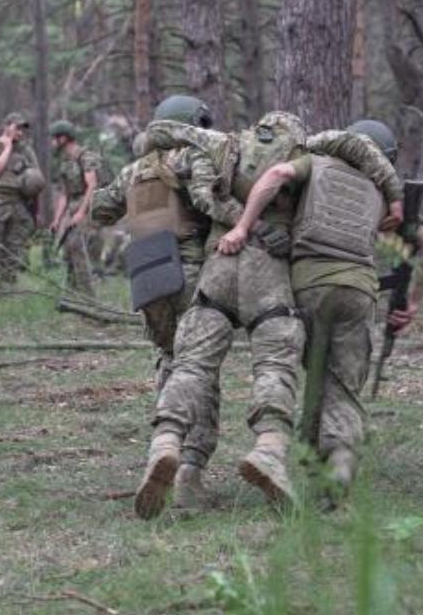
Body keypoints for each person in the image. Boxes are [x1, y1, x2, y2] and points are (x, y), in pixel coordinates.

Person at [132, 112, 402, 518]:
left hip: (217, 265)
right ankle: (270, 449)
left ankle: (169, 446)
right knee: (275, 364)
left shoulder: (221, 146)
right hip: (271, 274)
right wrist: (394, 193)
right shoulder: (312, 158)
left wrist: (236, 224)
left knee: (192, 366)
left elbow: (159, 143)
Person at [217, 119, 423, 504]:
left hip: (307, 288)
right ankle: (339, 460)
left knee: (316, 372)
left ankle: (308, 456)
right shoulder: (385, 193)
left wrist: (242, 225)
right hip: (358, 292)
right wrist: (415, 301)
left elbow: (276, 174)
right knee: (344, 383)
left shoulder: (313, 164)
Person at [89, 94, 228, 509]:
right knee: (198, 369)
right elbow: (211, 203)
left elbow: (100, 211)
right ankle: (188, 469)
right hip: (188, 273)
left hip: (147, 279)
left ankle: (164, 446)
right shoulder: (188, 160)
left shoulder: (135, 170)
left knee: (170, 360)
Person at [0, 112, 44, 292]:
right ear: (7, 126)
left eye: (23, 129)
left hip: (18, 204)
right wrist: (7, 147)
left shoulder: (27, 151)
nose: (20, 132)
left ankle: (6, 289)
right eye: (17, 127)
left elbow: (36, 180)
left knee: (13, 250)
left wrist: (36, 210)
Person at [49, 120, 103, 299]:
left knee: (79, 250)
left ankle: (90, 299)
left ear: (63, 138)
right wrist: (57, 219)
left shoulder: (86, 156)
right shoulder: (65, 161)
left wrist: (81, 212)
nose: (51, 143)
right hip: (72, 206)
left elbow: (92, 185)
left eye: (54, 139)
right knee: (69, 251)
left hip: (87, 206)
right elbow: (65, 193)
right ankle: (72, 295)